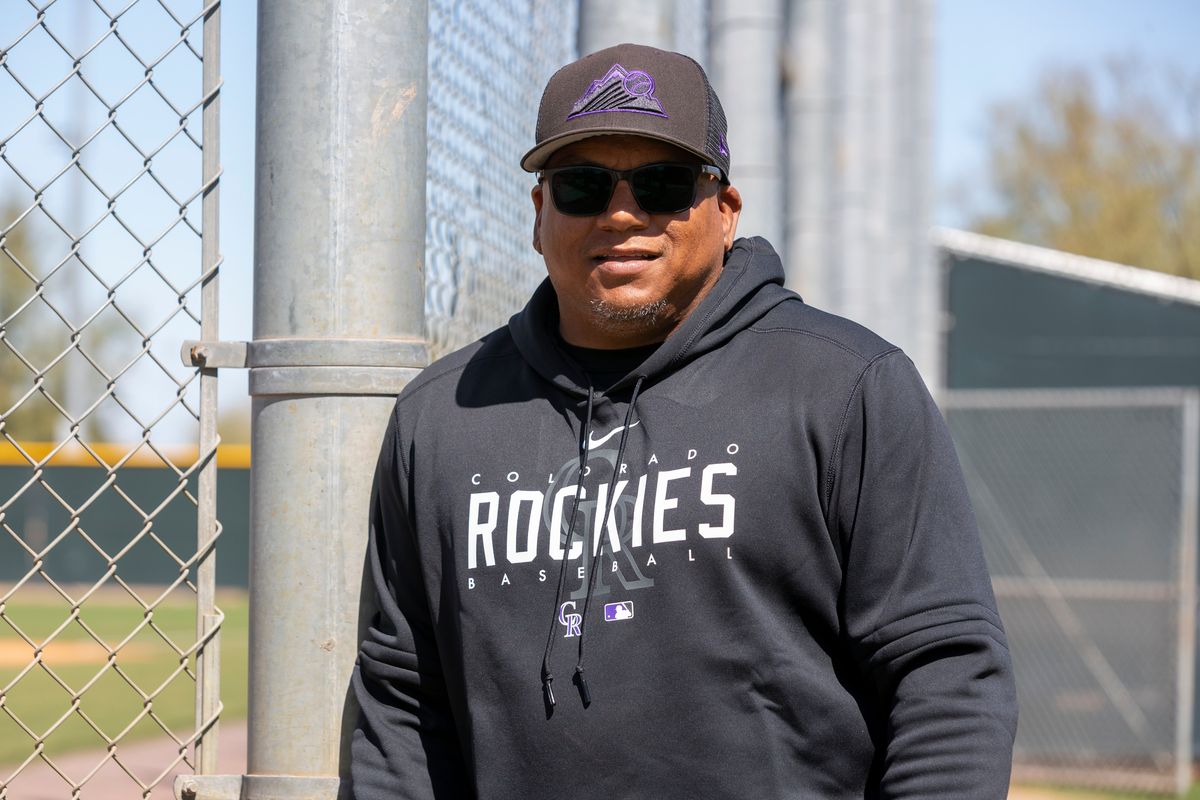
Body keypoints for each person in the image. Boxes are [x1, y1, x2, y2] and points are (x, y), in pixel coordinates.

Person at [352, 43, 1017, 799]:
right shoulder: (441, 416)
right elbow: (401, 701)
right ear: (540, 214)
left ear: (725, 211)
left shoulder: (844, 387)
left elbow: (945, 674)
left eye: (664, 185)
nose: (622, 214)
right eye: (582, 186)